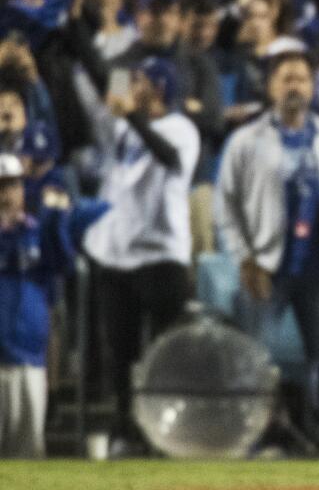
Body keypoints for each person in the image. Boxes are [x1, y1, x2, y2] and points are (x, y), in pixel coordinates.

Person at [215, 48, 319, 442]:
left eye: (301, 78)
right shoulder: (245, 141)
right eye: (285, 78)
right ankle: (257, 434)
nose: (294, 86)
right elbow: (225, 208)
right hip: (268, 267)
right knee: (257, 359)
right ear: (270, 87)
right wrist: (244, 258)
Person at [79, 57, 200, 456]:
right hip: (117, 257)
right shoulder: (121, 127)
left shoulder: (181, 127)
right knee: (121, 354)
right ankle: (124, 431)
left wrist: (130, 116)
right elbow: (105, 77)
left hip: (162, 256)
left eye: (140, 81)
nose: (131, 86)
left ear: (159, 88)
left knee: (166, 354)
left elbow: (169, 157)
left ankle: (168, 434)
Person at [0, 153, 97, 457]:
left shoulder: (36, 231)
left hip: (29, 356)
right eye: (1, 186)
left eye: (12, 185)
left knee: (27, 453)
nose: (5, 194)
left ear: (22, 189)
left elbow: (64, 265)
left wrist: (55, 220)